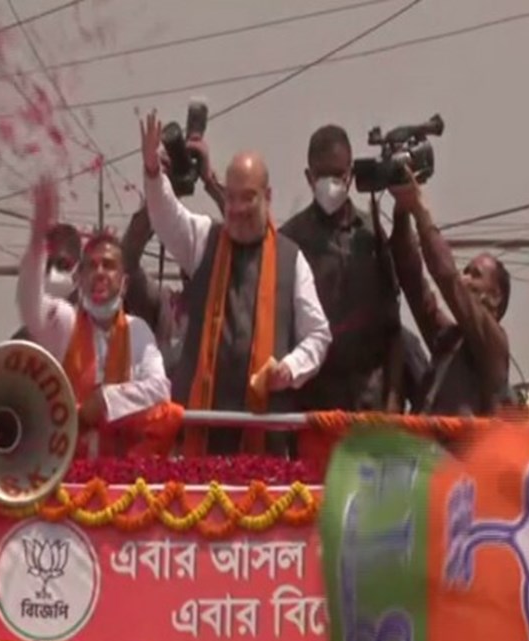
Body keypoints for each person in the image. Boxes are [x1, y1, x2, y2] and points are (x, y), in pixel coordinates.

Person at [139, 111, 332, 456]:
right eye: (231, 198)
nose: (238, 208)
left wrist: (290, 368)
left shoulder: (292, 259)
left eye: (249, 197)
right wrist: (153, 172)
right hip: (200, 431)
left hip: (264, 438)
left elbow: (318, 335)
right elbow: (166, 216)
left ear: (267, 196)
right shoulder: (203, 240)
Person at [17, 177, 170, 455]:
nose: (100, 272)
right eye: (92, 266)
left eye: (109, 266)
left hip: (123, 480)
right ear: (80, 279)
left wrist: (108, 400)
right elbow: (29, 303)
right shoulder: (64, 322)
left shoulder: (138, 331)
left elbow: (161, 390)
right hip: (66, 472)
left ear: (123, 283)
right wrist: (38, 238)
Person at [280, 125, 401, 412]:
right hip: (311, 404)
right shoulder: (290, 240)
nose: (330, 183)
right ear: (309, 177)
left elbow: (392, 327)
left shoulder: (371, 236)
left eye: (337, 174)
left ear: (350, 174)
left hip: (368, 404)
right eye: (322, 175)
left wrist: (393, 402)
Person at [388, 168, 510, 416]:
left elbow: (447, 278)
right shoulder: (450, 339)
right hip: (425, 452)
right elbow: (414, 285)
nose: (464, 279)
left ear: (495, 296)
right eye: (465, 272)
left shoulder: (493, 344)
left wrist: (421, 210)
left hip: (461, 455)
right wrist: (402, 211)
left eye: (475, 274)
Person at [123, 141, 226, 375]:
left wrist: (211, 182)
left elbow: (251, 242)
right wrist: (158, 189)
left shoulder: (232, 305)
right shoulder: (165, 308)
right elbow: (126, 262)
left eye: (208, 251)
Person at [12, 222, 81, 341]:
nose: (51, 274)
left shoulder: (90, 331)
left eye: (62, 264)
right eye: (47, 265)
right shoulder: (21, 345)